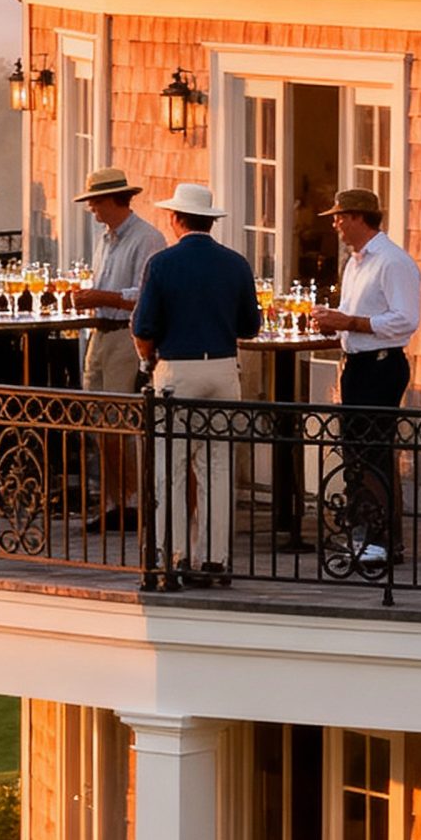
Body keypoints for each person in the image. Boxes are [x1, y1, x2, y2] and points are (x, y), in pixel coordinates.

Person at [132, 179, 261, 589]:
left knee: (170, 467)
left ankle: (171, 554)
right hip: (222, 368)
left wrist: (146, 360)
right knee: (217, 467)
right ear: (210, 221)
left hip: (177, 369)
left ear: (176, 218)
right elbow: (250, 327)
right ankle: (214, 558)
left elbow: (144, 326)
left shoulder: (162, 263)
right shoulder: (236, 264)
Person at [310, 187, 421, 575]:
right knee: (355, 451)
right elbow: (354, 315)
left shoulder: (392, 262)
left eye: (340, 217)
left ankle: (381, 540)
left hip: (381, 365)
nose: (336, 224)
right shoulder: (355, 263)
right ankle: (364, 533)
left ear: (359, 217)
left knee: (373, 450)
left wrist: (350, 322)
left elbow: (405, 320)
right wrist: (334, 322)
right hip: (357, 365)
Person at [74, 166, 164, 527]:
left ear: (114, 200)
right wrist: (92, 297)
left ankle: (134, 503)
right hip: (100, 333)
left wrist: (102, 296)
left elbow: (148, 294)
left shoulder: (147, 238)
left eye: (95, 201)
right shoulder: (105, 239)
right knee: (99, 422)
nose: (92, 208)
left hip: (127, 336)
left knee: (120, 419)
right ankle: (114, 501)